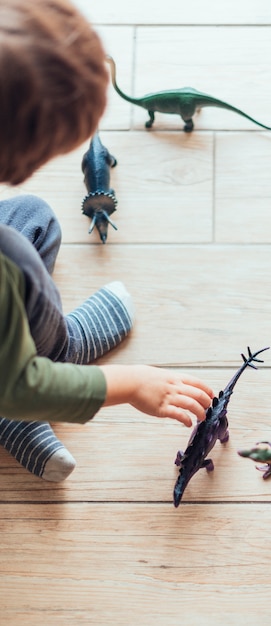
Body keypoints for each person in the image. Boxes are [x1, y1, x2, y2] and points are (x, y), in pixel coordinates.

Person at [0, 0, 214, 482]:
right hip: (10, 383)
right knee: (15, 256)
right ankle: (47, 366)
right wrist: (129, 383)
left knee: (34, 219)